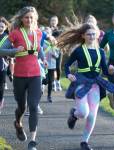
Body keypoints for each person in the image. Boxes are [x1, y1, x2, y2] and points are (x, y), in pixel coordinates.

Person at [57, 23, 114, 150]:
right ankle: (74, 114)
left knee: (92, 115)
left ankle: (85, 141)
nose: (91, 36)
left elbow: (105, 71)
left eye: (94, 34)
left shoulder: (100, 51)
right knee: (83, 113)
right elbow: (67, 65)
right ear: (83, 35)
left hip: (95, 85)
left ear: (97, 35)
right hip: (81, 83)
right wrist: (68, 75)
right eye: (89, 34)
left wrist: (110, 70)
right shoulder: (78, 50)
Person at [0, 6, 45, 150]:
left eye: (32, 17)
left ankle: (32, 141)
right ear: (22, 19)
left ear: (35, 19)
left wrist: (42, 58)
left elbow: (40, 48)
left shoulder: (39, 33)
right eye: (26, 17)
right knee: (21, 106)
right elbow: (1, 50)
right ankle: (18, 124)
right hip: (19, 76)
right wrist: (13, 51)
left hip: (35, 75)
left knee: (33, 106)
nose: (29, 20)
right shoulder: (15, 33)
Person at [43, 27, 59, 102]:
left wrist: (54, 53)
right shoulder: (42, 42)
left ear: (51, 33)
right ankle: (40, 88)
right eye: (45, 33)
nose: (47, 34)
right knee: (45, 80)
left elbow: (57, 55)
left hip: (52, 65)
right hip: (43, 64)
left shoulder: (54, 43)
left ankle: (49, 96)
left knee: (50, 81)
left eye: (48, 32)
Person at [49, 16, 62, 91]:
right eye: (52, 20)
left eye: (55, 21)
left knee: (58, 67)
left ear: (57, 22)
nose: (53, 22)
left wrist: (54, 30)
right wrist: (50, 31)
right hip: (49, 51)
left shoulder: (59, 30)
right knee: (51, 67)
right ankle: (53, 82)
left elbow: (60, 36)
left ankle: (58, 81)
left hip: (58, 50)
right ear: (50, 22)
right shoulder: (48, 30)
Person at [0, 16, 10, 113]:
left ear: (6, 27)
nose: (0, 28)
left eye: (2, 26)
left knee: (1, 85)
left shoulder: (8, 38)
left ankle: (0, 100)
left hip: (2, 64)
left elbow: (11, 51)